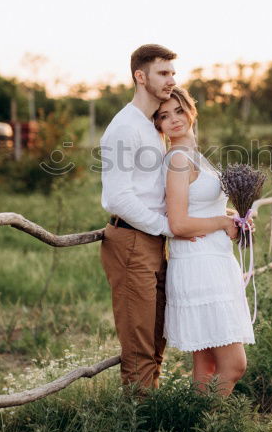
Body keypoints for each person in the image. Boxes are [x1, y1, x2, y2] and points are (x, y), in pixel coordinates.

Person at [99, 44, 230, 390]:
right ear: (140, 77)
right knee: (140, 348)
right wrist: (168, 228)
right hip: (131, 241)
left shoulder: (152, 127)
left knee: (156, 346)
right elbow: (117, 197)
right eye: (163, 73)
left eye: (173, 73)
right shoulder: (125, 128)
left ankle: (152, 426)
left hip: (153, 242)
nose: (172, 80)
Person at [155, 86, 255, 396]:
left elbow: (198, 205)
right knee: (234, 365)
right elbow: (179, 222)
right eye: (163, 116)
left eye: (178, 110)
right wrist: (223, 222)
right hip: (200, 266)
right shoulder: (178, 160)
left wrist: (233, 216)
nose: (173, 119)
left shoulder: (193, 155)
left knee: (207, 365)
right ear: (157, 125)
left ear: (191, 111)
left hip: (212, 259)